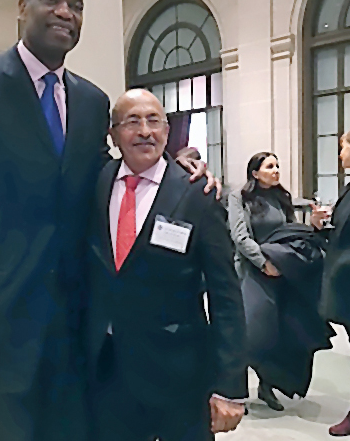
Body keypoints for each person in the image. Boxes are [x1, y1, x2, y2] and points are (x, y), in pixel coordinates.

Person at [0, 0, 219, 441]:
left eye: (76, 5)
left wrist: (174, 166)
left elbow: (105, 176)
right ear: (22, 9)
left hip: (78, 335)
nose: (65, 12)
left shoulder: (90, 100)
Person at [84, 89, 247, 441]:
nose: (145, 131)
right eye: (132, 122)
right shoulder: (94, 183)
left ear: (168, 130)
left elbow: (226, 295)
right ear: (113, 135)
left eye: (154, 120)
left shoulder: (197, 194)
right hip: (108, 375)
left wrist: (230, 385)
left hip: (180, 377)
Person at [227, 152, 334, 411]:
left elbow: (290, 233)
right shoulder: (240, 198)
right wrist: (263, 262)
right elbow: (240, 237)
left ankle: (267, 385)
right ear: (255, 173)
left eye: (277, 165)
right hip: (253, 271)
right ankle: (233, 389)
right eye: (270, 166)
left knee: (279, 330)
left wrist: (313, 226)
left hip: (282, 271)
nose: (276, 170)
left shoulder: (281, 198)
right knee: (252, 332)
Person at [311, 127, 350, 437]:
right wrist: (321, 224)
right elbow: (344, 231)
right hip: (348, 281)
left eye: (343, 145)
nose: (340, 152)